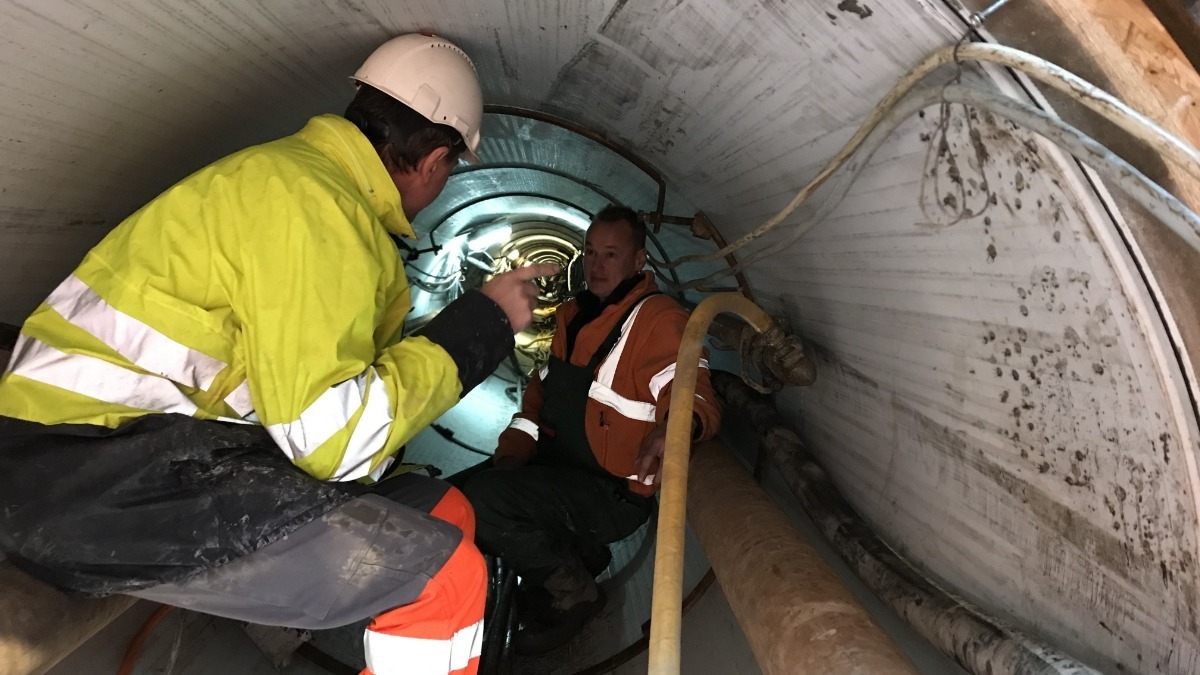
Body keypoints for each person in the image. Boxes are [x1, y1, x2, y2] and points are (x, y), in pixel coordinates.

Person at [0, 34, 556, 675]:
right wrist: (481, 326)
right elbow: (332, 443)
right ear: (434, 160)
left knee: (444, 510)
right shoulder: (315, 211)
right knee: (443, 576)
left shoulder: (299, 186)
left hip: (134, 453)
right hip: (83, 472)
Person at [459, 205, 721, 654]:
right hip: (560, 468)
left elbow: (690, 387)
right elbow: (540, 395)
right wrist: (512, 455)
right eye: (591, 252)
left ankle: (573, 589)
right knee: (457, 497)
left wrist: (675, 429)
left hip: (611, 493)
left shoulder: (658, 319)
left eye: (611, 255)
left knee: (484, 502)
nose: (596, 265)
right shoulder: (573, 315)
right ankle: (577, 553)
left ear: (639, 260)